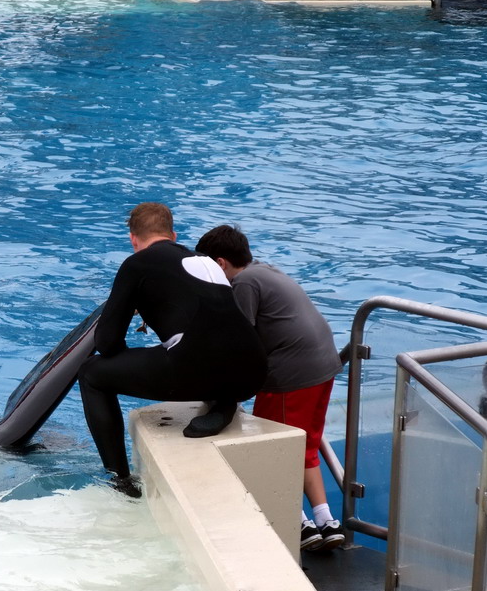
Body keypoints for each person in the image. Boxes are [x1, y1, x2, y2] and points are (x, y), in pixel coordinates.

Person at [79, 203, 267, 497]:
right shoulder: (205, 261)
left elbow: (106, 342)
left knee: (92, 373)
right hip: (251, 374)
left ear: (133, 239)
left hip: (196, 370)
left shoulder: (136, 264)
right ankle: (223, 404)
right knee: (205, 347)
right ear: (173, 234)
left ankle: (120, 481)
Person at [196, 224, 344, 552]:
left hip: (292, 375)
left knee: (272, 448)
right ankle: (326, 520)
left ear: (221, 264)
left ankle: (298, 523)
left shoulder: (244, 283)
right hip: (323, 367)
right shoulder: (264, 270)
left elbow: (240, 342)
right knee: (304, 446)